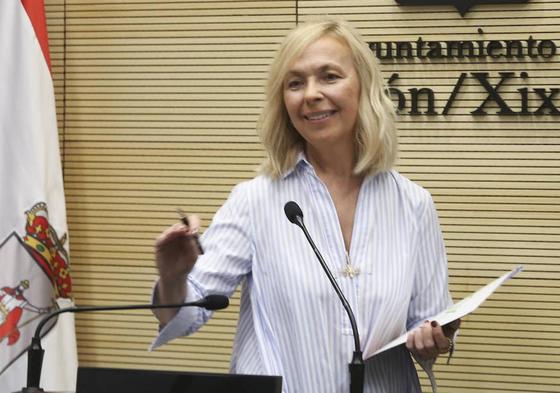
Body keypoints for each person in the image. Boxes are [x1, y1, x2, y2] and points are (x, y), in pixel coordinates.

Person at [151, 17, 460, 393]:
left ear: (364, 87)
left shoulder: (413, 204)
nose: (310, 93)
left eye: (329, 76)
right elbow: (187, 315)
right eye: (295, 83)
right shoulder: (255, 200)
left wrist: (436, 335)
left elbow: (430, 325)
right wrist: (173, 277)